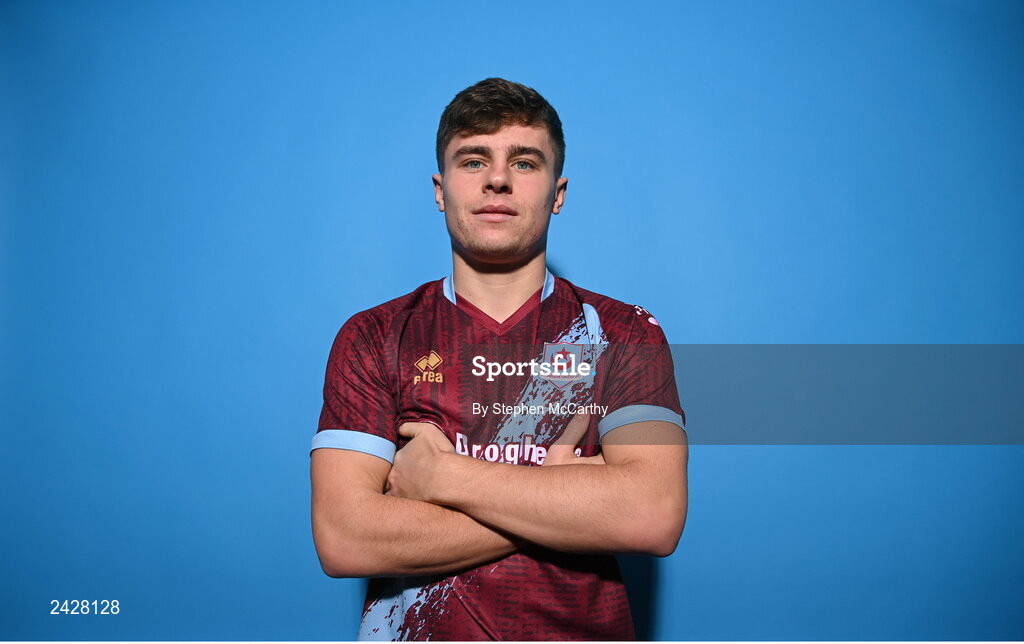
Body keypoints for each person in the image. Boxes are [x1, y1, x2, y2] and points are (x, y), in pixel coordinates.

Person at [310, 77, 688, 641]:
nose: (497, 179)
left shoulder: (625, 332)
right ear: (440, 189)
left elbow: (652, 516)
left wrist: (447, 477)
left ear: (558, 194)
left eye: (525, 162)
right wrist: (570, 503)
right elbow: (344, 537)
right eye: (472, 160)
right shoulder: (374, 336)